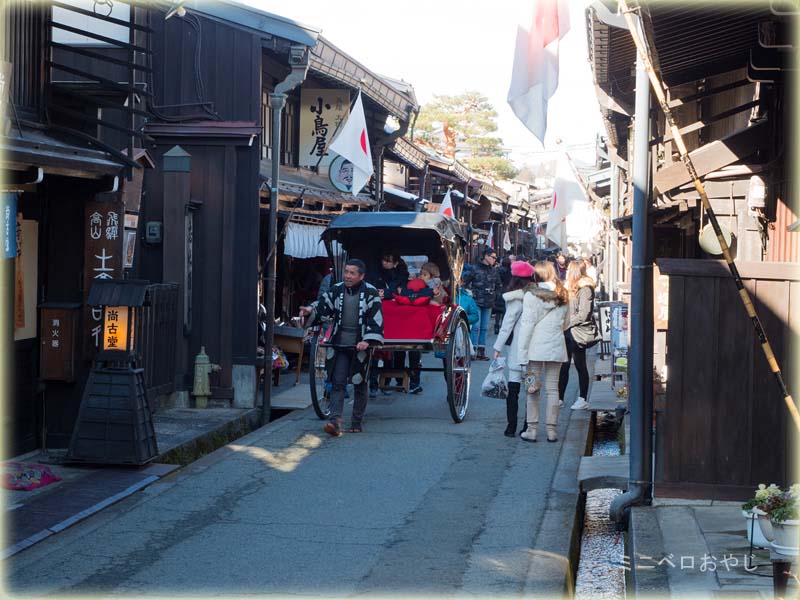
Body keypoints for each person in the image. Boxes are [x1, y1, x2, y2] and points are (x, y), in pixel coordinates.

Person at [299, 259, 384, 436]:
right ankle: (335, 421)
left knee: (360, 382)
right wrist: (309, 310)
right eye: (346, 272)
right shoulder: (337, 289)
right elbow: (322, 308)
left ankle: (356, 421)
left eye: (352, 273)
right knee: (338, 382)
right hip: (340, 342)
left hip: (361, 344)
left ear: (361, 276)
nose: (348, 276)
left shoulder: (371, 292)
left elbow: (376, 320)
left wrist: (367, 340)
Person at [515, 261, 570, 443]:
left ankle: (531, 429)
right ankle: (551, 430)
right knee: (553, 389)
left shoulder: (531, 295)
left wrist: (521, 354)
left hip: (534, 350)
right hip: (556, 346)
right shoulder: (563, 294)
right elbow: (567, 323)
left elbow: (526, 326)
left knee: (532, 388)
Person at [493, 260, 535, 437]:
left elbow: (507, 325)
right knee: (531, 389)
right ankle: (528, 426)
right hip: (534, 349)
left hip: (518, 349)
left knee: (514, 387)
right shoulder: (538, 296)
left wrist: (497, 347)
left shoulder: (515, 298)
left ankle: (511, 427)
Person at [559, 261, 596, 411]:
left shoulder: (585, 288)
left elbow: (584, 314)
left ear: (573, 271)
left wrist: (566, 323)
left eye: (568, 269)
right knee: (564, 365)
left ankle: (583, 398)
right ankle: (560, 398)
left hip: (577, 331)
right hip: (566, 331)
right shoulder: (567, 287)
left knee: (580, 364)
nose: (566, 271)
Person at [463, 248, 502, 360]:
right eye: (493, 257)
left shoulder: (494, 270)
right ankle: (472, 351)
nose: (495, 260)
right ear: (486, 256)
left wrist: (495, 295)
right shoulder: (475, 269)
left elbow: (499, 285)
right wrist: (471, 294)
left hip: (489, 302)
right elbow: (465, 282)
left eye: (495, 258)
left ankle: (481, 351)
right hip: (476, 302)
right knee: (476, 327)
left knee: (484, 328)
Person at [493, 257, 512, 334]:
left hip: (498, 291)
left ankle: (496, 325)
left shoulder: (497, 270)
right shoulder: (510, 271)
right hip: (507, 290)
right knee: (505, 310)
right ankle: (503, 326)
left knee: (498, 310)